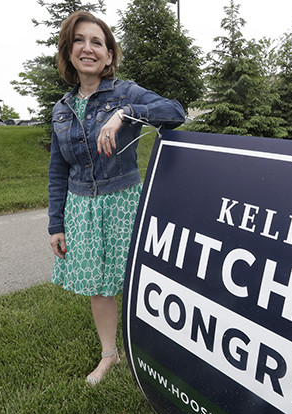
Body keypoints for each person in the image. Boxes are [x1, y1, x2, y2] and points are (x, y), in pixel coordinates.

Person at [47, 10, 185, 385]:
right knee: (97, 284)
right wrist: (55, 224)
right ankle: (111, 354)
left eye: (97, 42)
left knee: (137, 279)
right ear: (68, 51)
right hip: (81, 207)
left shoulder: (125, 92)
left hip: (124, 201)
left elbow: (175, 113)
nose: (87, 48)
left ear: (109, 55)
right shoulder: (61, 110)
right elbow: (58, 170)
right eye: (79, 40)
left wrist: (126, 113)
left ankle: (153, 345)